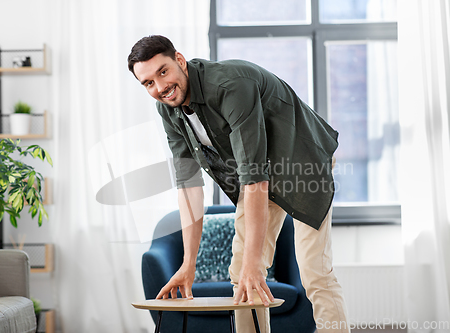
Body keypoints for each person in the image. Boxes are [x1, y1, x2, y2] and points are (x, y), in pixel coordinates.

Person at [128, 35, 350, 333]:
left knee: (314, 272)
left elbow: (254, 178)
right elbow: (189, 187)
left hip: (301, 162)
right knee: (242, 275)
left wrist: (253, 263)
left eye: (163, 72)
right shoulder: (169, 108)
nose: (160, 87)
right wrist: (188, 264)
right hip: (258, 175)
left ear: (179, 60)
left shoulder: (230, 85)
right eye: (148, 83)